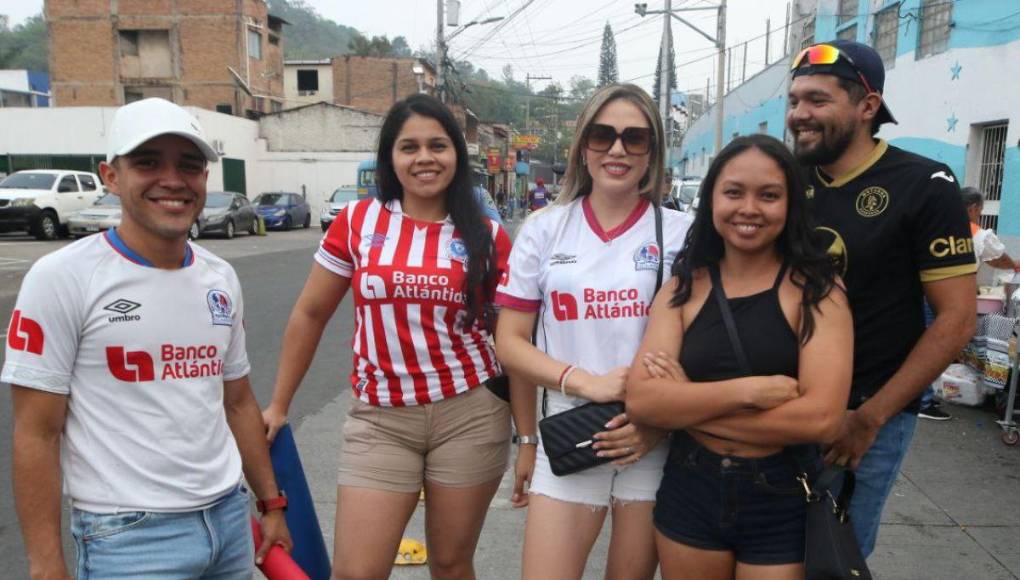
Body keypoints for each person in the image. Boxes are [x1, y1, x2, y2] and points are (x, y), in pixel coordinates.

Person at [3, 97, 291, 579]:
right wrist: (46, 564)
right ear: (111, 176)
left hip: (229, 521)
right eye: (147, 162)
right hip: (130, 538)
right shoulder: (62, 277)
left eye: (190, 166)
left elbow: (237, 402)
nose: (173, 180)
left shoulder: (220, 277)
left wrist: (271, 503)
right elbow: (37, 432)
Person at [261, 93, 512, 580]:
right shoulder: (357, 222)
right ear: (390, 158)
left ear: (456, 155)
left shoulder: (488, 235)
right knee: (357, 572)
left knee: (452, 562)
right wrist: (279, 403)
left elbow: (511, 339)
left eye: (438, 145)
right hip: (380, 419)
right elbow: (311, 313)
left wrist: (527, 435)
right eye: (409, 147)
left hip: (471, 414)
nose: (424, 158)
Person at [626, 134, 853, 579]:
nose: (749, 208)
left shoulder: (817, 291)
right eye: (734, 192)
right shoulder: (682, 289)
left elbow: (821, 419)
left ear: (790, 206)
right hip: (692, 486)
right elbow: (642, 401)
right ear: (712, 199)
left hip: (783, 492)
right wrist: (749, 391)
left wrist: (685, 405)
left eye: (768, 195)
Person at [494, 83, 693, 580]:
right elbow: (511, 344)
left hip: (650, 436)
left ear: (653, 152)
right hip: (569, 428)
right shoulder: (545, 227)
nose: (618, 149)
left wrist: (659, 421)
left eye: (635, 138)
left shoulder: (683, 232)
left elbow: (702, 343)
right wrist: (580, 386)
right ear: (583, 146)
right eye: (603, 136)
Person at [787, 39, 977, 556]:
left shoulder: (925, 184)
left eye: (818, 100)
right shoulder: (785, 179)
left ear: (868, 106)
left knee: (831, 557)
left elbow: (957, 319)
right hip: (779, 406)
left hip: (863, 417)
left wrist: (869, 419)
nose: (799, 114)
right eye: (795, 100)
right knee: (767, 554)